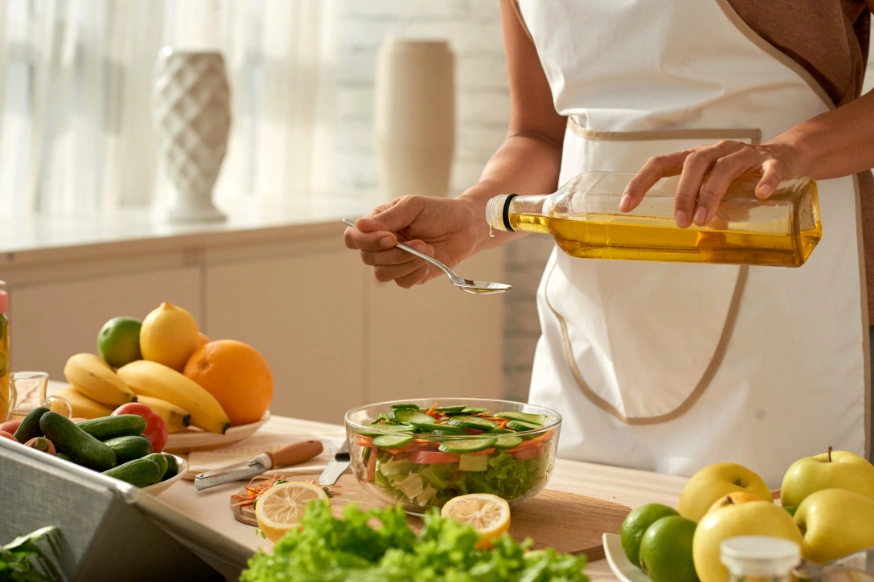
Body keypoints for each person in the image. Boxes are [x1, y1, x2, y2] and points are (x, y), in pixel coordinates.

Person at [344, 0, 874, 487]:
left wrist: (793, 149)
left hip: (781, 319)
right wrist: (474, 214)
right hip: (592, 328)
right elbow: (540, 134)